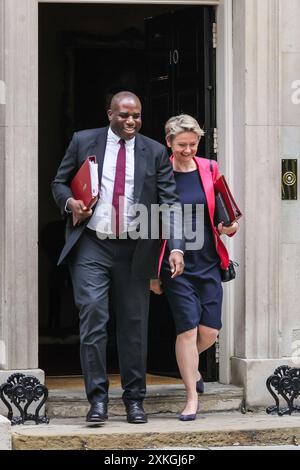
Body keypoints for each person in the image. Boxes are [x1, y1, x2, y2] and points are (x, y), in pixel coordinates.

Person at [51, 92, 184, 424]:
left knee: (134, 326)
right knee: (93, 318)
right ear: (109, 113)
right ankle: (97, 401)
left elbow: (170, 202)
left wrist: (177, 247)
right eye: (124, 115)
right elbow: (59, 183)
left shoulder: (154, 151)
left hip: (135, 250)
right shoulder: (84, 141)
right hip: (92, 245)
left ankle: (134, 400)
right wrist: (71, 204)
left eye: (137, 116)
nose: (131, 121)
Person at [150, 114, 238, 421]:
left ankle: (189, 364)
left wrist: (228, 227)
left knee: (210, 332)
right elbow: (151, 223)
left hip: (208, 261)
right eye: (182, 144)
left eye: (194, 143)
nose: (188, 149)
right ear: (169, 143)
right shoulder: (161, 174)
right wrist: (152, 273)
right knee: (187, 329)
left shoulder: (209, 168)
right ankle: (191, 398)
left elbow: (221, 214)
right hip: (176, 265)